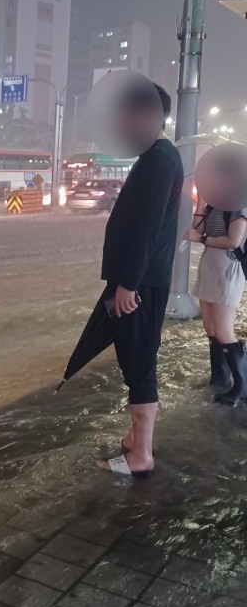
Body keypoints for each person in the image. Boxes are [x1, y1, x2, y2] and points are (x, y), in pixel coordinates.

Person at [98, 84, 183, 479]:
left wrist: (128, 284)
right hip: (139, 280)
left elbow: (148, 229)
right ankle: (136, 440)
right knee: (135, 359)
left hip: (141, 283)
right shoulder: (156, 157)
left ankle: (141, 456)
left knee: (139, 364)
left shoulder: (160, 160)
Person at [184, 202, 247, 404]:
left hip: (227, 267)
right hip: (210, 264)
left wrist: (201, 238)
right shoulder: (216, 202)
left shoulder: (239, 202)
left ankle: (242, 385)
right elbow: (197, 229)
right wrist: (203, 201)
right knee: (210, 327)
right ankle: (220, 378)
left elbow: (234, 241)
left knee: (223, 330)